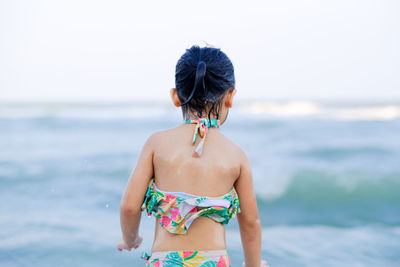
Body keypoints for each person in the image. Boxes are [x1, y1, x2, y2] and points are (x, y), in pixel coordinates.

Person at [117, 45, 268, 267]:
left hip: (165, 261)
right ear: (230, 97)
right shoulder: (237, 155)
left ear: (176, 97)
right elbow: (250, 223)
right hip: (213, 262)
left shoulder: (156, 144)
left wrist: (130, 239)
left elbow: (129, 207)